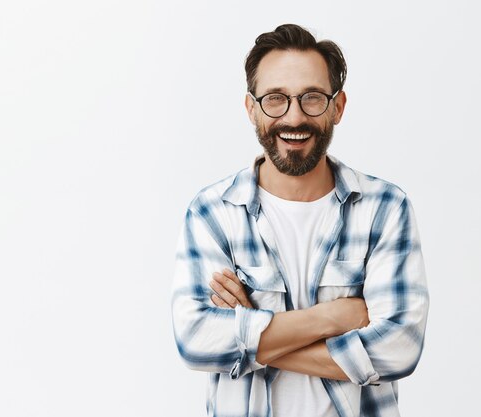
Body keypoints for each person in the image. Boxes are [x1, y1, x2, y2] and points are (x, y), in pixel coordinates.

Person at [171, 24, 429, 417]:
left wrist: (250, 337)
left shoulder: (385, 208)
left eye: (312, 98)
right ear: (251, 107)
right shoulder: (213, 213)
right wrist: (333, 317)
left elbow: (399, 350)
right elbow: (195, 340)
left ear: (338, 106)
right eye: (275, 99)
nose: (294, 117)